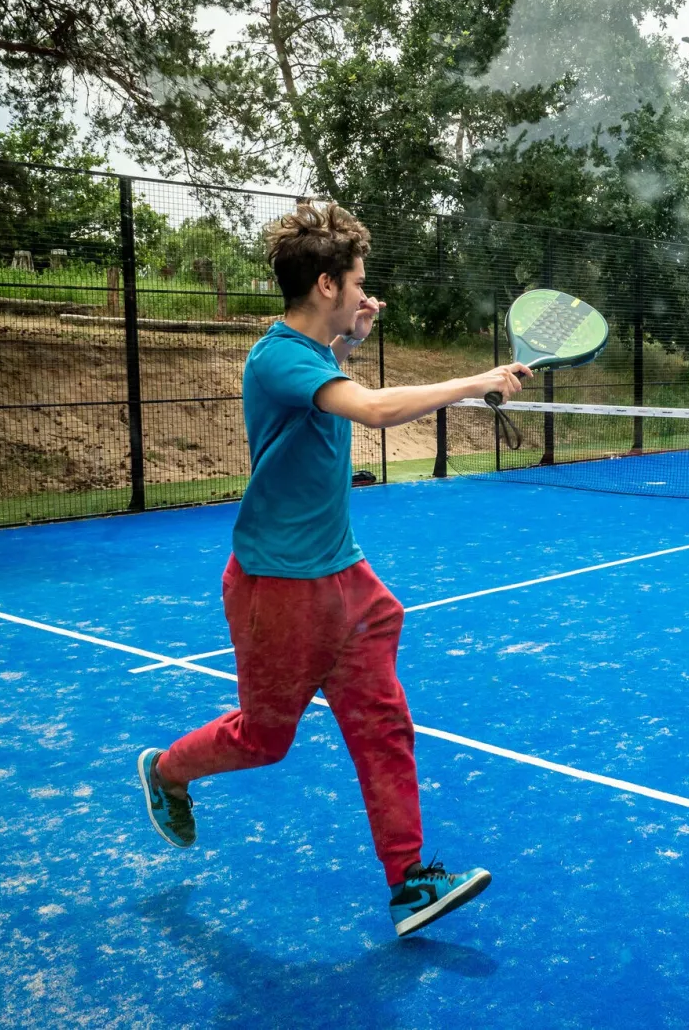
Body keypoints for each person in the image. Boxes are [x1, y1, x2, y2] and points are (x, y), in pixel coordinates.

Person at [135, 201, 532, 937]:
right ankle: (167, 772)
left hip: (343, 581)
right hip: (277, 585)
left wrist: (352, 338)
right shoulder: (277, 355)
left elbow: (332, 385)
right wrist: (475, 380)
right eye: (356, 283)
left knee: (384, 722)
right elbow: (373, 412)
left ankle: (410, 882)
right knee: (264, 738)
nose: (364, 293)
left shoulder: (313, 357)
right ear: (325, 284)